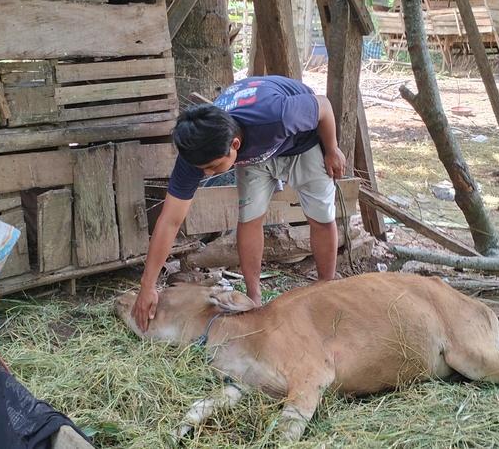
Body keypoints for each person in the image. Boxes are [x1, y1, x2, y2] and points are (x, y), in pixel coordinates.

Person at [130, 75, 346, 331]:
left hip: (302, 141)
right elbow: (170, 221)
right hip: (254, 155)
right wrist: (147, 287)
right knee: (249, 218)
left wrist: (332, 149)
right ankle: (254, 300)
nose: (207, 174)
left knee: (320, 216)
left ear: (234, 145)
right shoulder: (197, 154)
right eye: (203, 169)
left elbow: (322, 105)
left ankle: (325, 291)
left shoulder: (276, 116)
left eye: (212, 167)